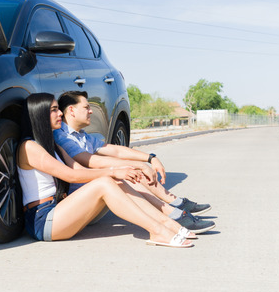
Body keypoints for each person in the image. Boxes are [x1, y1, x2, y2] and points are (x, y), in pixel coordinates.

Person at [17, 93, 196, 247]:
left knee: (115, 181)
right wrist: (112, 171)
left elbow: (79, 169)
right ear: (39, 114)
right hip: (43, 221)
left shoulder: (53, 145)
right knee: (105, 182)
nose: (60, 113)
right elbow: (71, 175)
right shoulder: (29, 147)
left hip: (59, 211)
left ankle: (166, 222)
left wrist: (121, 171)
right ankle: (157, 230)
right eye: (54, 109)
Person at [54, 91, 214, 232]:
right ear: (72, 110)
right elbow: (90, 161)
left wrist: (150, 158)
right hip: (82, 204)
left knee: (129, 171)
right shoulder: (61, 136)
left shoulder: (82, 136)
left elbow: (116, 150)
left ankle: (176, 205)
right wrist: (138, 165)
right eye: (86, 107)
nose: (91, 111)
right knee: (125, 174)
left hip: (97, 194)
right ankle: (171, 214)